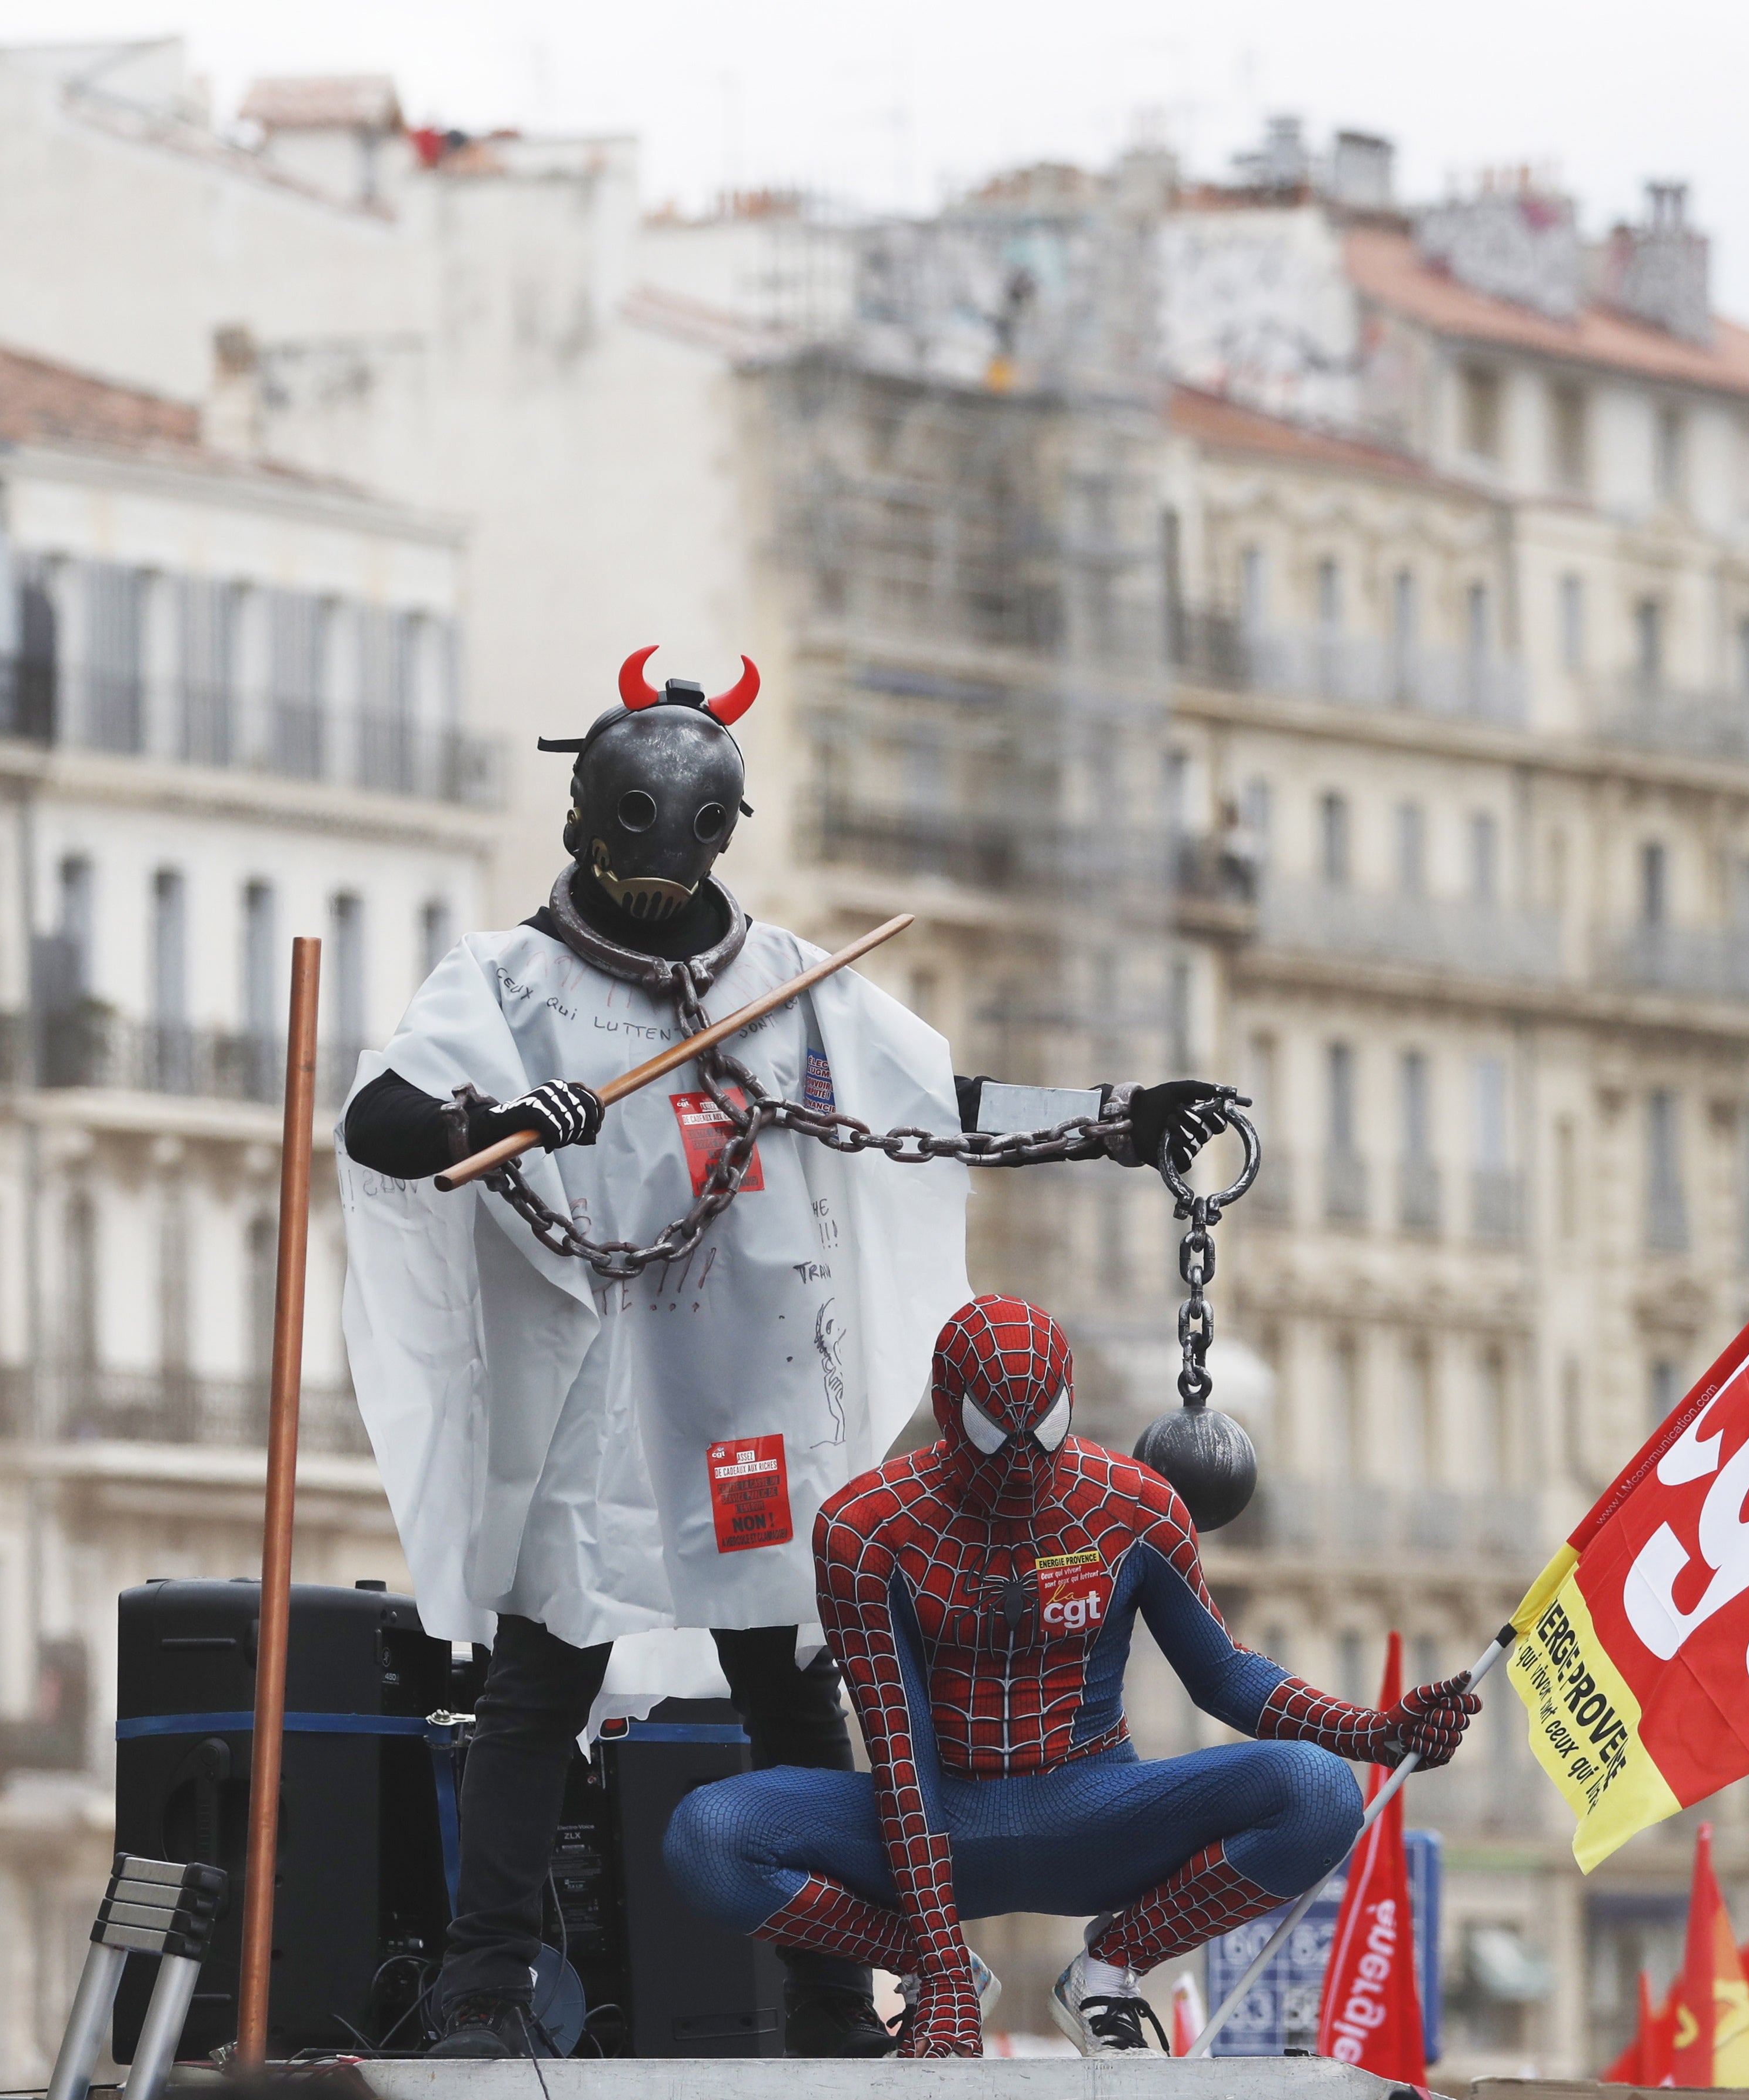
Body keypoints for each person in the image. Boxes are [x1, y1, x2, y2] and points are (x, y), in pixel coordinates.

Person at [336, 652, 1238, 2058]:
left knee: (792, 1690)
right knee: (539, 1684)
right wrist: (491, 1118)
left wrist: (1121, 1117)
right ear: (582, 821)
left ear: (718, 836)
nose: (649, 877)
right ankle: (481, 1982)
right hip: (592, 1394)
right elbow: (381, 1120)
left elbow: (946, 1105)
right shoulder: (504, 983)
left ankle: (834, 2005)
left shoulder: (789, 986)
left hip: (751, 1394)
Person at [661, 1295, 1484, 2057]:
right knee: (709, 1837)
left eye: (1043, 1429)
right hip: (940, 1812)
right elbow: (900, 1746)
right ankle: (932, 1965)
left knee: (1321, 1791)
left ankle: (1109, 1971)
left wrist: (1377, 1732)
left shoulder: (1136, 1505)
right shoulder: (866, 1530)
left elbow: (1225, 1675)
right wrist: (942, 1963)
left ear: (1071, 1399)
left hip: (1096, 1810)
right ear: (949, 1413)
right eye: (996, 1435)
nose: (1022, 1460)